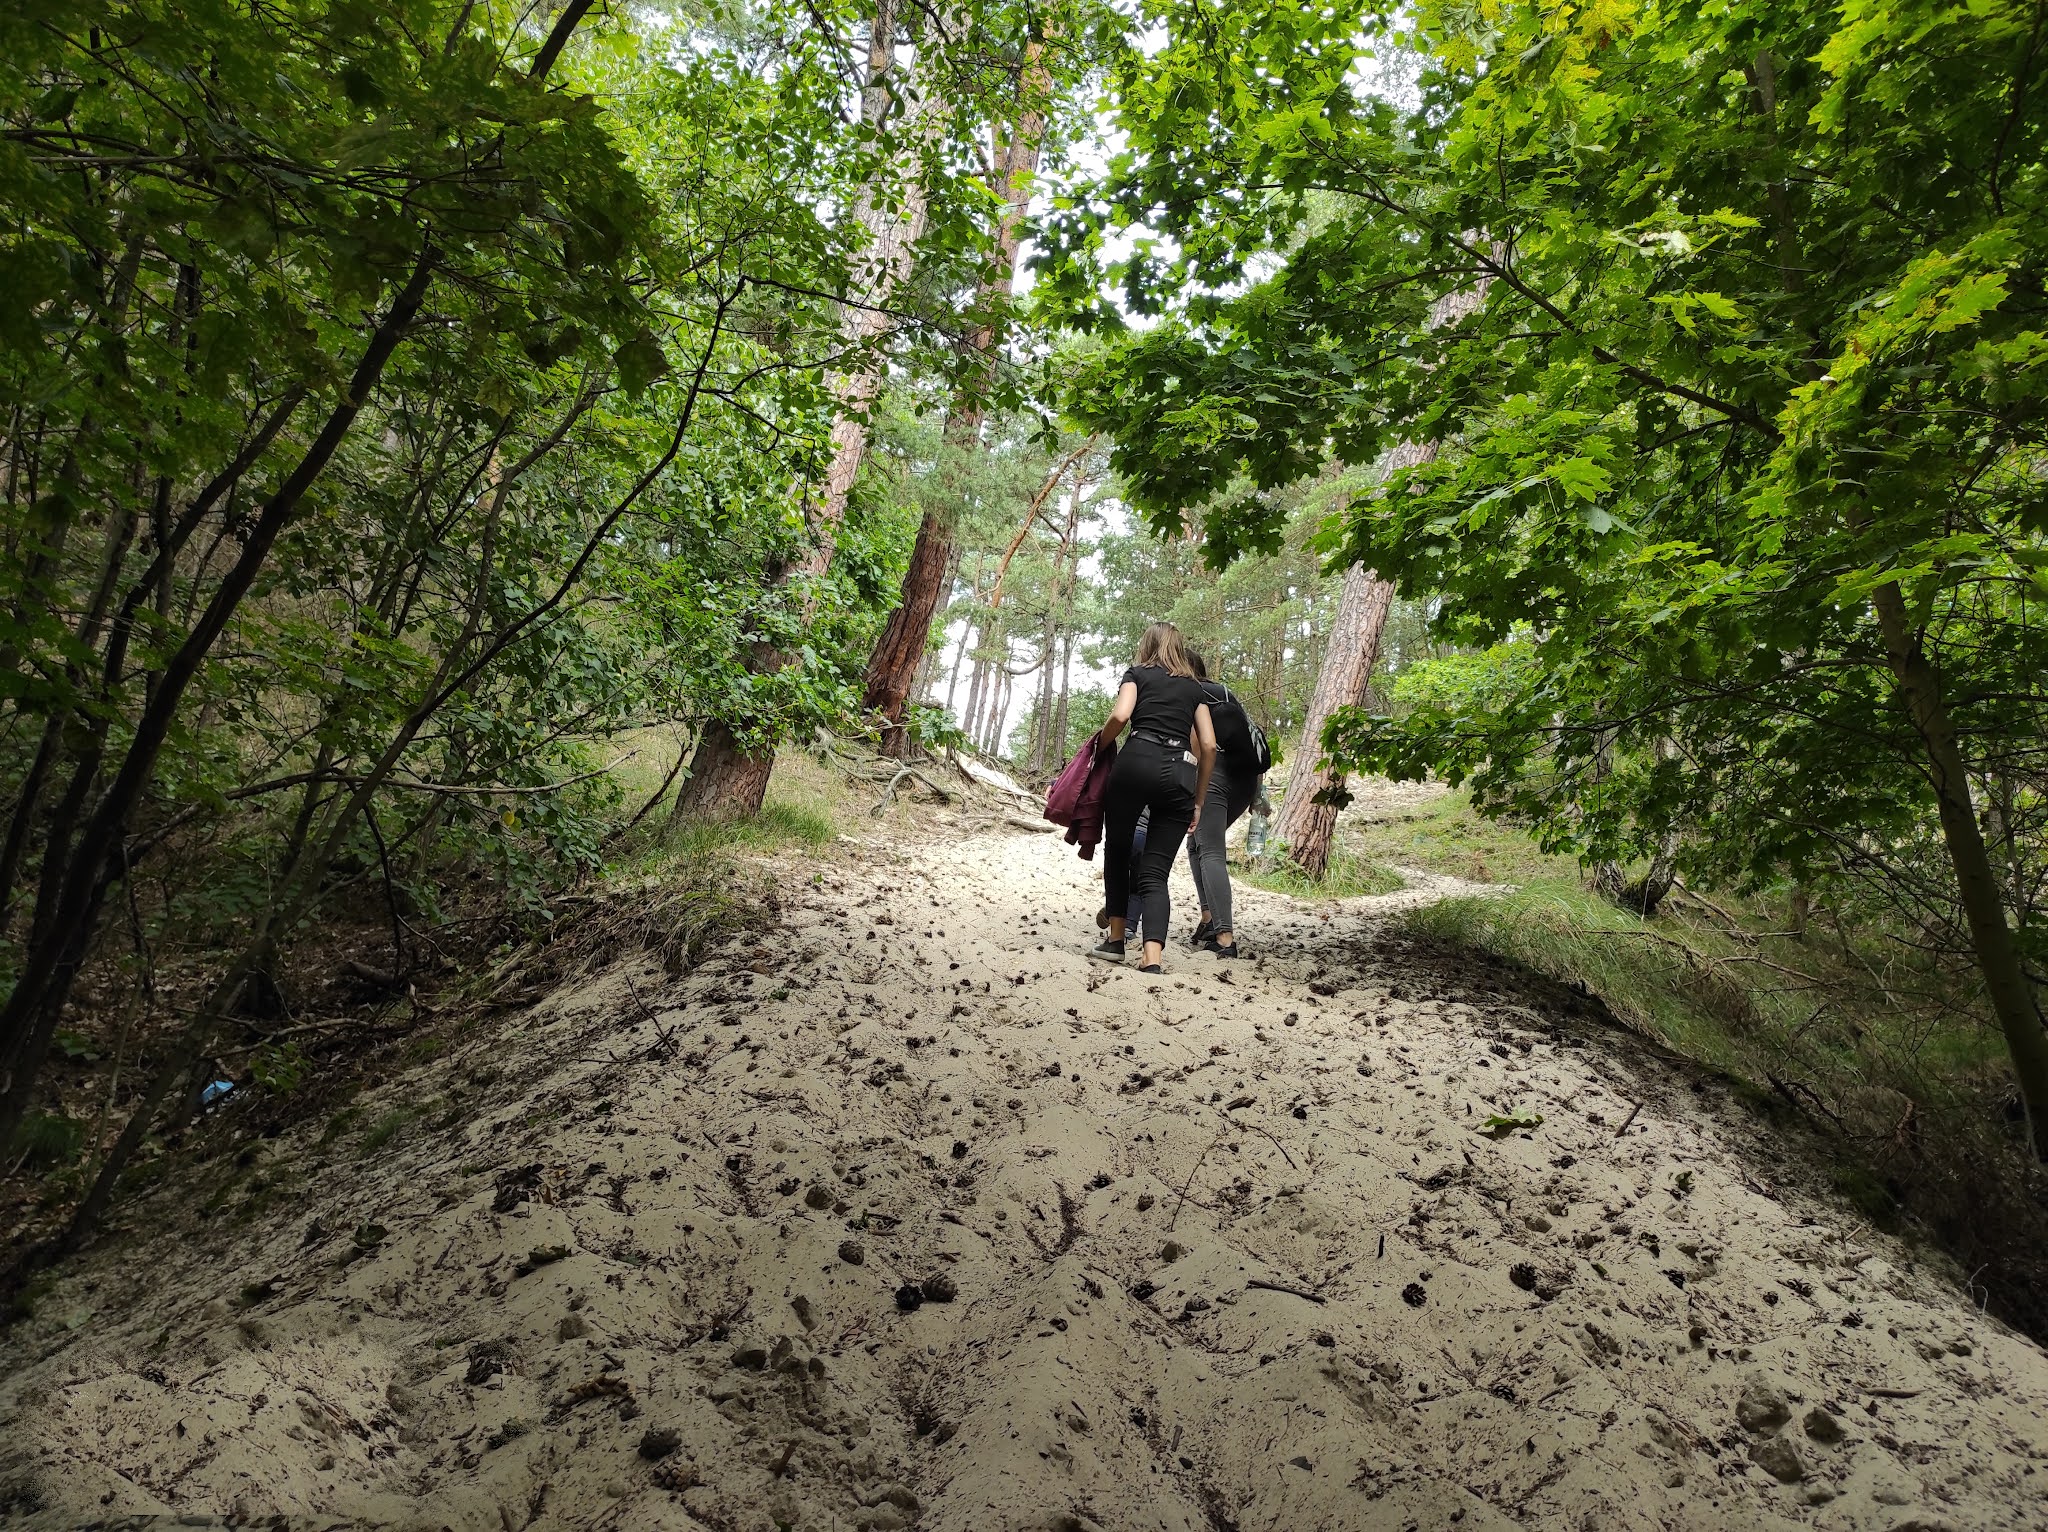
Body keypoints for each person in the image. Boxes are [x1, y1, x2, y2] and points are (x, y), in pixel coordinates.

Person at [1089, 623, 1216, 973]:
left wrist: (1099, 749)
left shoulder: (1137, 674)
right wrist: (1199, 799)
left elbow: (1120, 715)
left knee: (1117, 853)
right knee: (1155, 873)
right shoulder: (1194, 687)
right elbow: (1207, 744)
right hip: (1179, 775)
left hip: (1136, 761)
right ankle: (1153, 958)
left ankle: (1115, 942)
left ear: (1147, 645)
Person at [1182, 652, 1265, 958]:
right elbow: (1251, 737)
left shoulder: (1189, 693)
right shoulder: (1225, 692)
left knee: (1210, 849)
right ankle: (1209, 917)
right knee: (1196, 844)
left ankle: (1225, 938)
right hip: (1245, 781)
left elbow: (1195, 743)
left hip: (1215, 772)